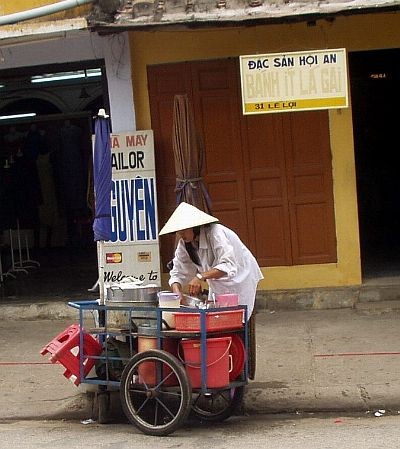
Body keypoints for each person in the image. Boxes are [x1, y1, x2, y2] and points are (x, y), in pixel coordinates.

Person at [158, 202, 264, 319]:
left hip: (241, 277)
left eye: (183, 231)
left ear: (195, 227)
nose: (181, 235)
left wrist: (200, 277)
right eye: (179, 232)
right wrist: (176, 292)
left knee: (238, 319)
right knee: (217, 318)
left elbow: (228, 265)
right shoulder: (184, 243)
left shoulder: (216, 233)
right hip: (217, 283)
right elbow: (178, 271)